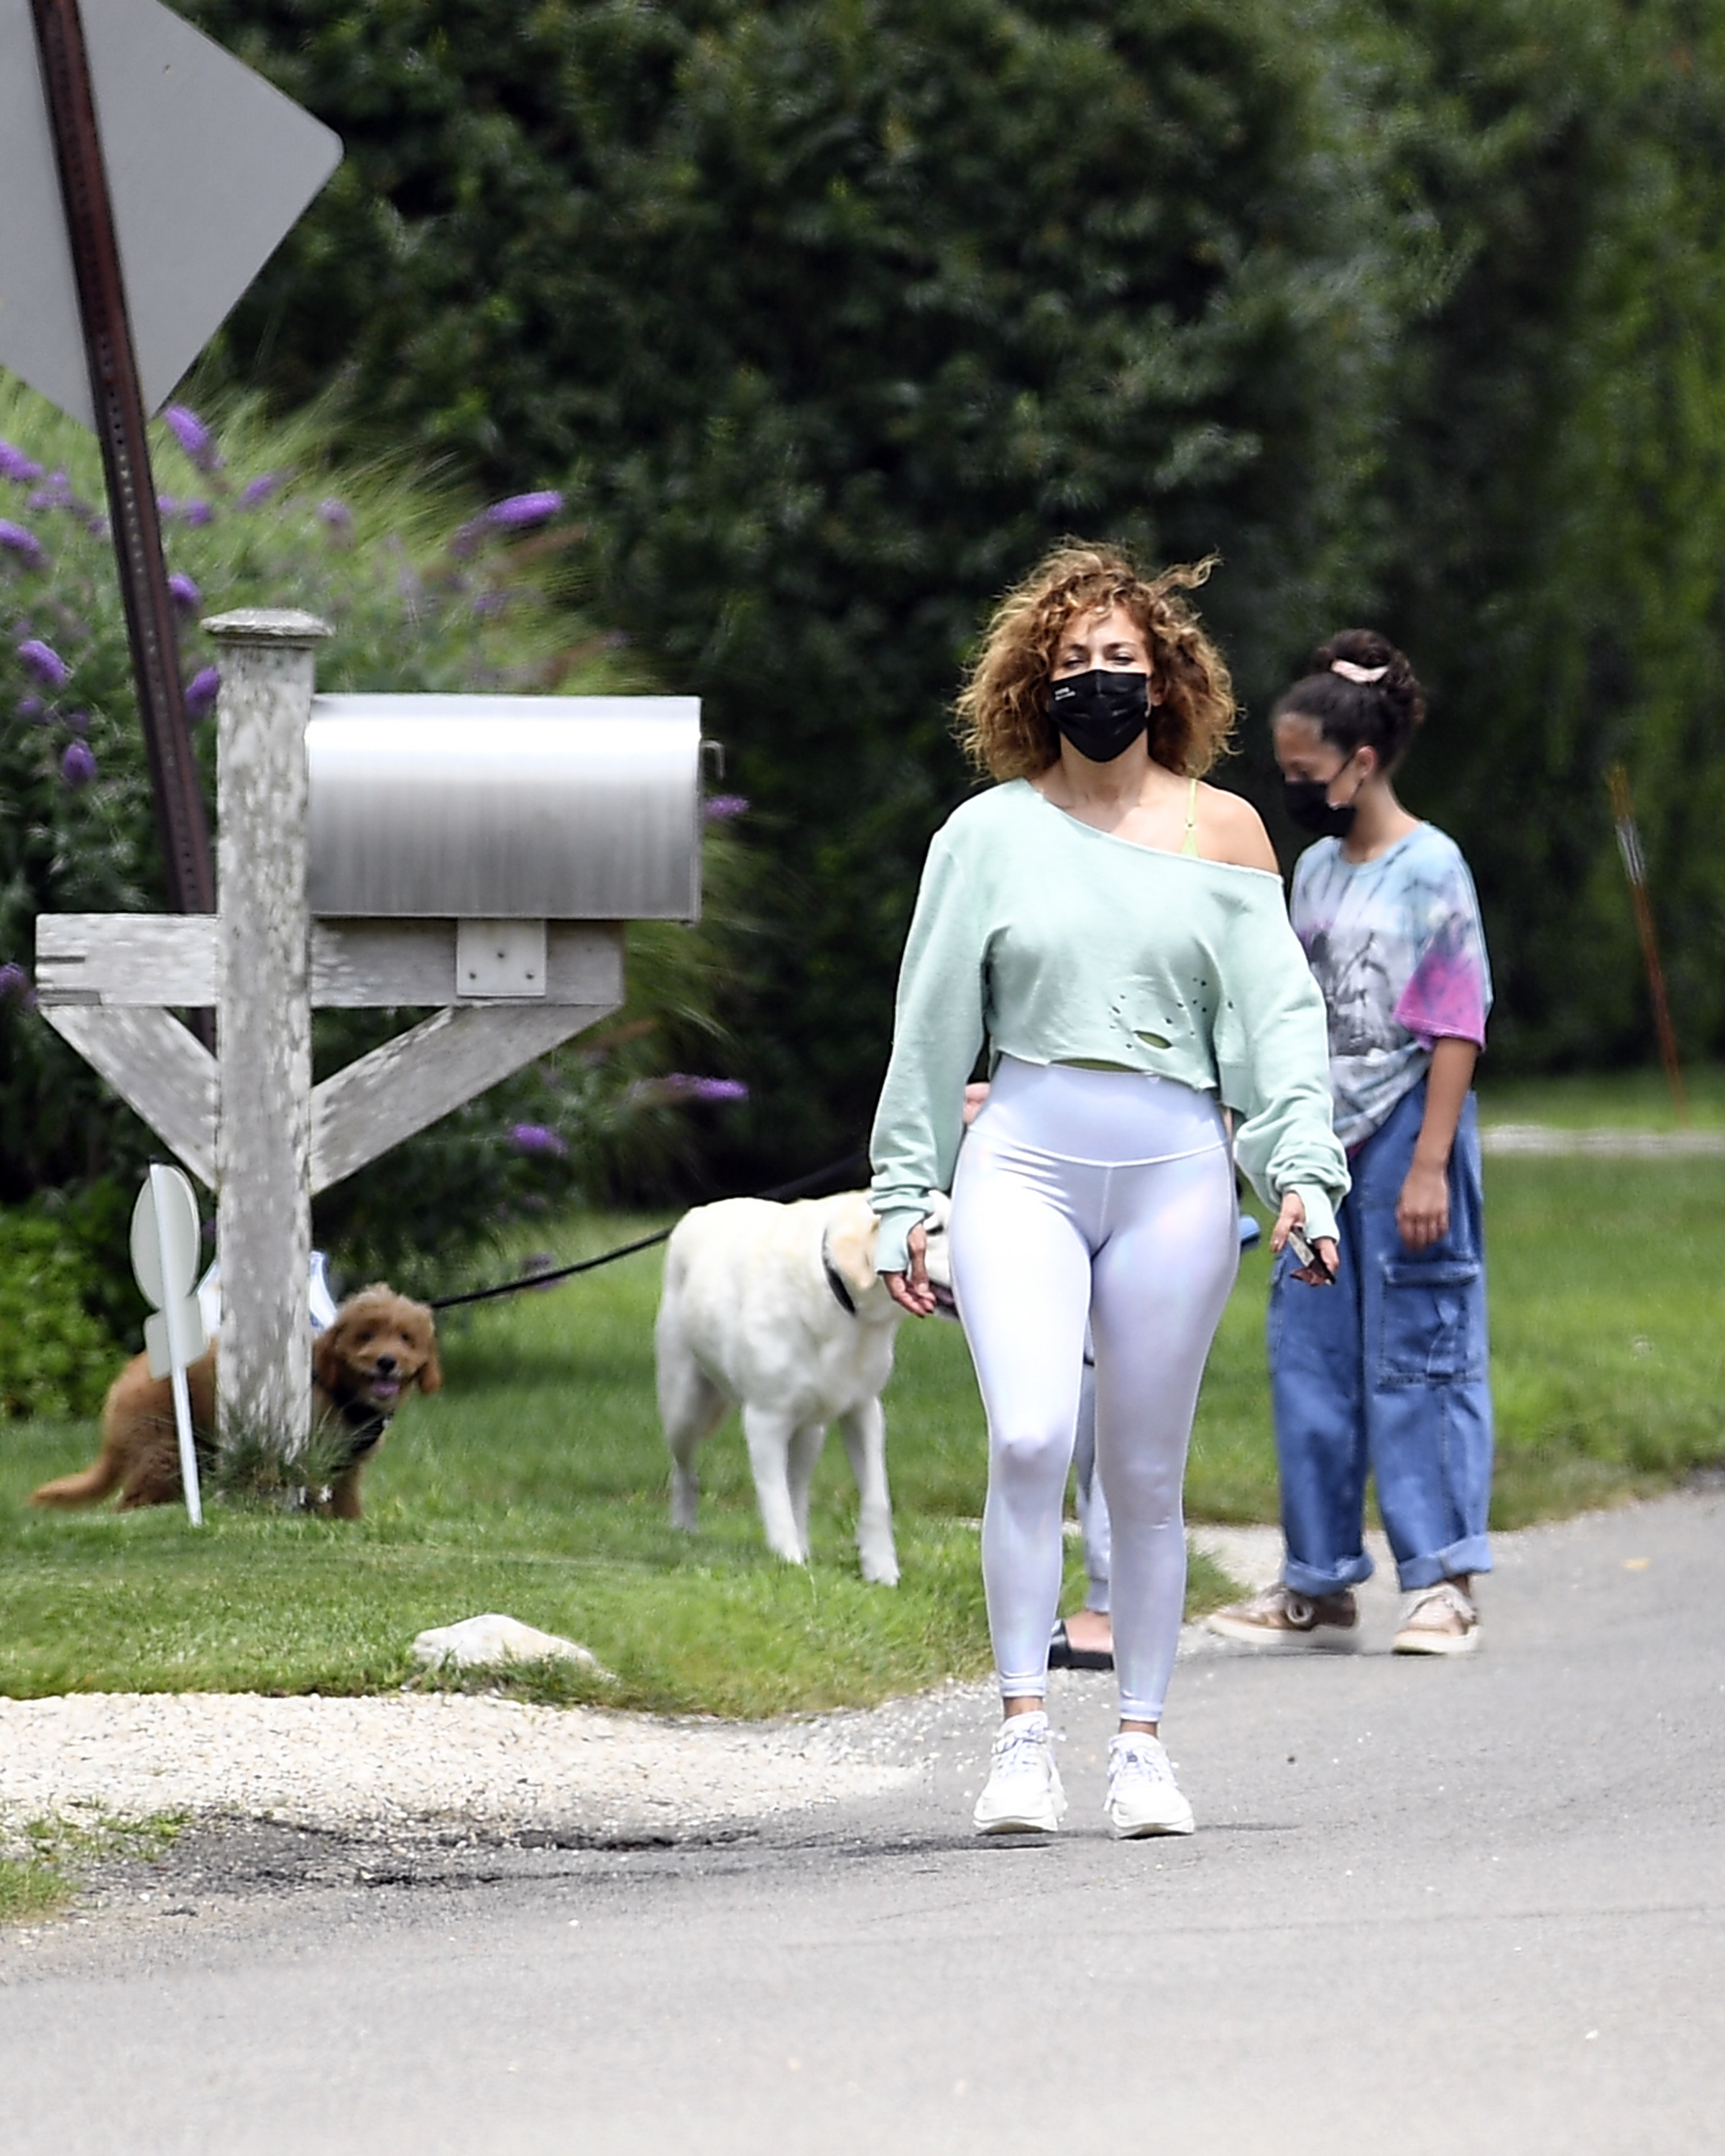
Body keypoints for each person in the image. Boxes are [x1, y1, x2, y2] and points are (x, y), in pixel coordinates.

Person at [870, 544, 1348, 1838]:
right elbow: (928, 1033)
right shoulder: (985, 836)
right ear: (1035, 681)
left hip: (1177, 1173)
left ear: (1165, 680)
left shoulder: (1227, 831)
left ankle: (1140, 1743)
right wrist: (905, 1198)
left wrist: (1302, 1179)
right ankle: (1022, 1732)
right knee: (1029, 1439)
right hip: (1020, 1157)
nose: (1095, 684)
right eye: (1072, 664)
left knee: (1143, 1473)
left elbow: (1279, 1031)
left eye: (1119, 665)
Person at [1208, 632, 1494, 1657]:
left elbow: (1459, 1021)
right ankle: (1318, 1583)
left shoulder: (1433, 867)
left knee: (1422, 1356)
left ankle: (1443, 1583)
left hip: (1410, 1126)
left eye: (1304, 774)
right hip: (1316, 1144)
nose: (1294, 791)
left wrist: (1429, 1163)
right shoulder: (1317, 869)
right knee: (1312, 1359)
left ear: (1360, 763)